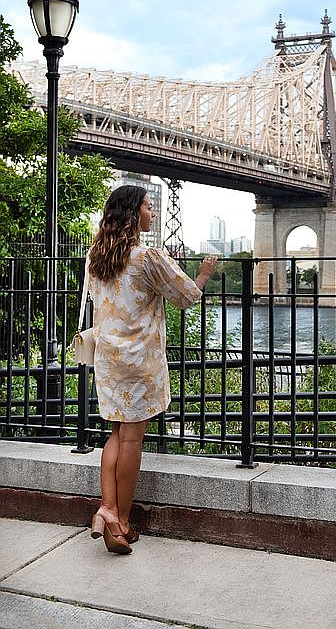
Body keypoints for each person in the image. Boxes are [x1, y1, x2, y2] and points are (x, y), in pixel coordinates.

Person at [87, 185, 217, 554]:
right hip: (139, 362)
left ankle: (107, 510)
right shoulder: (148, 257)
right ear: (133, 213)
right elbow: (186, 296)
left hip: (109, 357)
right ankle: (123, 522)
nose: (153, 213)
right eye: (148, 206)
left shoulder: (97, 256)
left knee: (115, 435)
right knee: (132, 440)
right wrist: (204, 273)